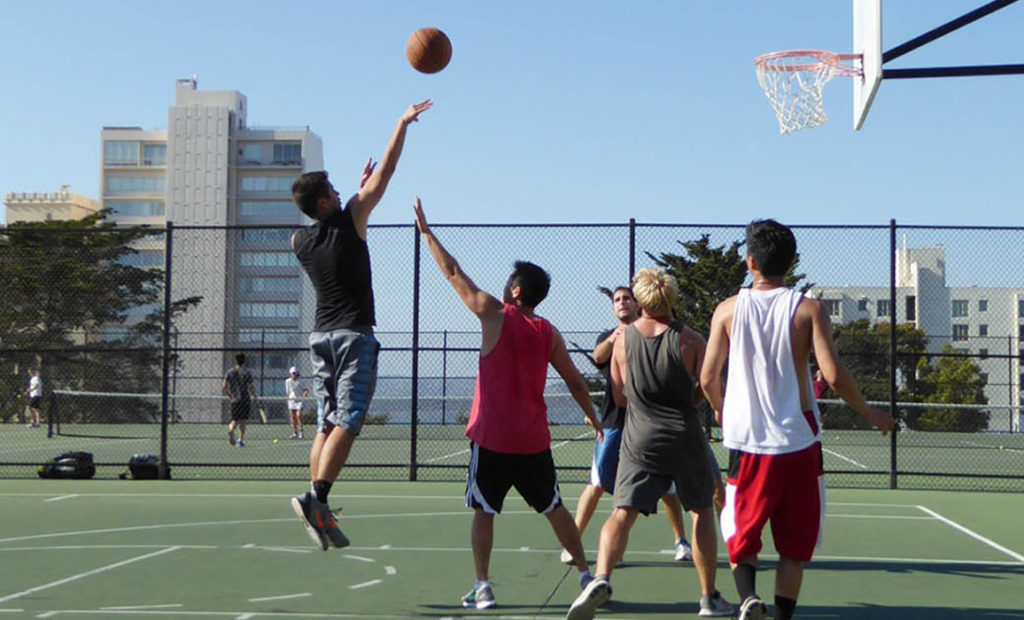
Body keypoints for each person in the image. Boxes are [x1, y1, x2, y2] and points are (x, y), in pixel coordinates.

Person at [700, 219, 895, 620]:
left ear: (750, 260)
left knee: (742, 534)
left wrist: (722, 408)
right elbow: (835, 375)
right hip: (799, 444)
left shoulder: (727, 311)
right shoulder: (808, 309)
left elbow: (706, 377)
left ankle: (748, 599)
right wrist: (871, 413)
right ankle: (782, 616)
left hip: (748, 444)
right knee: (793, 547)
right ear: (791, 262)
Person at [414, 197, 601, 610]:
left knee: (484, 512)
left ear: (515, 291)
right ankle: (587, 576)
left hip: (493, 438)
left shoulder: (495, 314)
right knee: (555, 508)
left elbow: (452, 272)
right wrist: (593, 419)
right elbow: (575, 382)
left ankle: (483, 586)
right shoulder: (548, 332)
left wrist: (427, 234)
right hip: (533, 440)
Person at [289, 100, 432, 551]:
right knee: (349, 421)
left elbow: (338, 215)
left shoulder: (300, 239)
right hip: (353, 335)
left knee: (324, 426)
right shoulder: (350, 219)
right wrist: (401, 123)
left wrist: (352, 195)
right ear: (325, 200)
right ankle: (317, 498)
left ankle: (320, 507)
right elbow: (386, 172)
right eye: (330, 187)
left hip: (320, 336)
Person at [568, 268, 732, 620]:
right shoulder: (691, 340)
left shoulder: (624, 340)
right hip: (684, 435)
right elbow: (707, 385)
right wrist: (692, 403)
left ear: (641, 299)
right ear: (672, 297)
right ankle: (708, 597)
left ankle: (601, 577)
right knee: (701, 510)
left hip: (639, 436)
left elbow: (619, 393)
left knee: (622, 511)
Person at [560, 286, 695, 565]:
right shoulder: (611, 338)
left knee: (668, 488)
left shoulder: (652, 333)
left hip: (649, 423)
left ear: (639, 305)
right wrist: (616, 337)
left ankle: (681, 541)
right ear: (613, 308)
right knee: (597, 484)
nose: (622, 302)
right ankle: (573, 544)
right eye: (617, 300)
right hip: (614, 422)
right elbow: (598, 357)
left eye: (627, 298)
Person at [222, 353, 258, 447]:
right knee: (243, 421)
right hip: (245, 400)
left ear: (236, 361)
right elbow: (250, 386)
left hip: (235, 400)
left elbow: (224, 386)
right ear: (244, 361)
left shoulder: (229, 372)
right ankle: (240, 440)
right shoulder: (246, 372)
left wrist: (229, 395)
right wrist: (255, 397)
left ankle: (231, 430)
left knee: (234, 420)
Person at [285, 367, 309, 439]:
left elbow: (306, 390)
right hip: (291, 400)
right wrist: (288, 399)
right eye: (293, 373)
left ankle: (301, 432)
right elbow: (288, 392)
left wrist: (305, 394)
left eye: (295, 373)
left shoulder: (301, 381)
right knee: (293, 417)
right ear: (290, 374)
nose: (294, 375)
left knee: (299, 415)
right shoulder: (287, 381)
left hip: (299, 401)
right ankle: (295, 433)